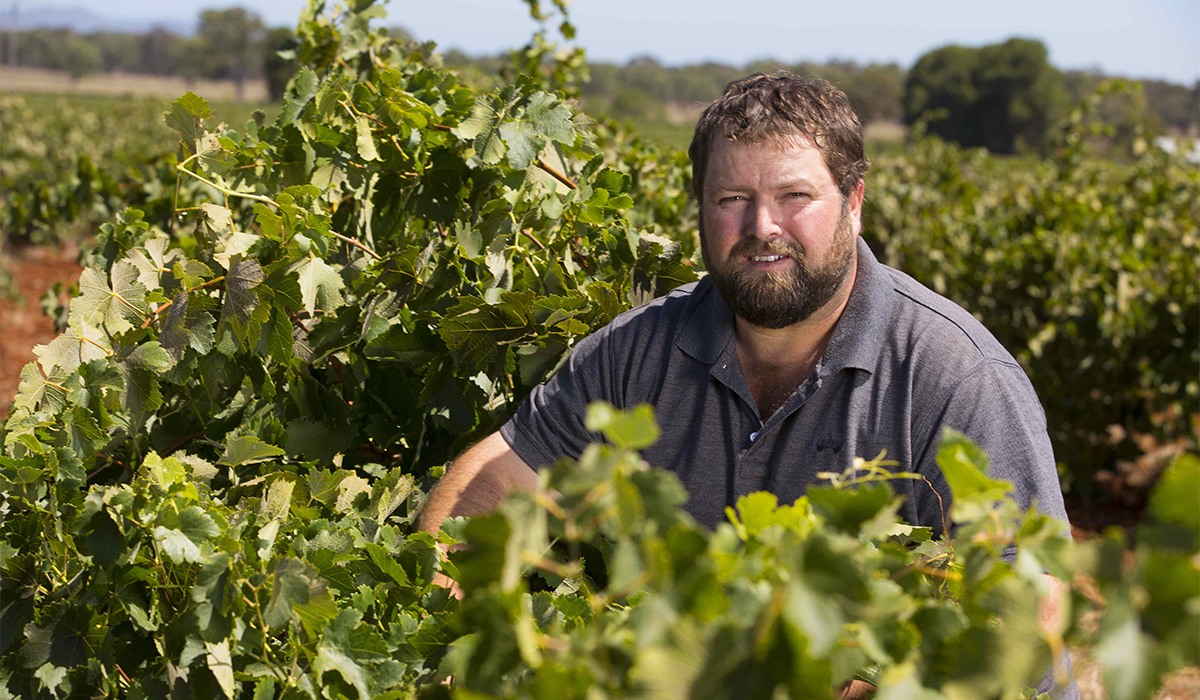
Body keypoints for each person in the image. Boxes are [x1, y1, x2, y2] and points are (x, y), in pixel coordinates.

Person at [418, 73, 1076, 698]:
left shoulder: (952, 376)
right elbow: (499, 478)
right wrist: (440, 624)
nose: (762, 227)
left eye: (795, 197)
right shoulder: (636, 352)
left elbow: (1030, 609)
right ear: (700, 208)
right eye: (732, 200)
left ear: (854, 202)